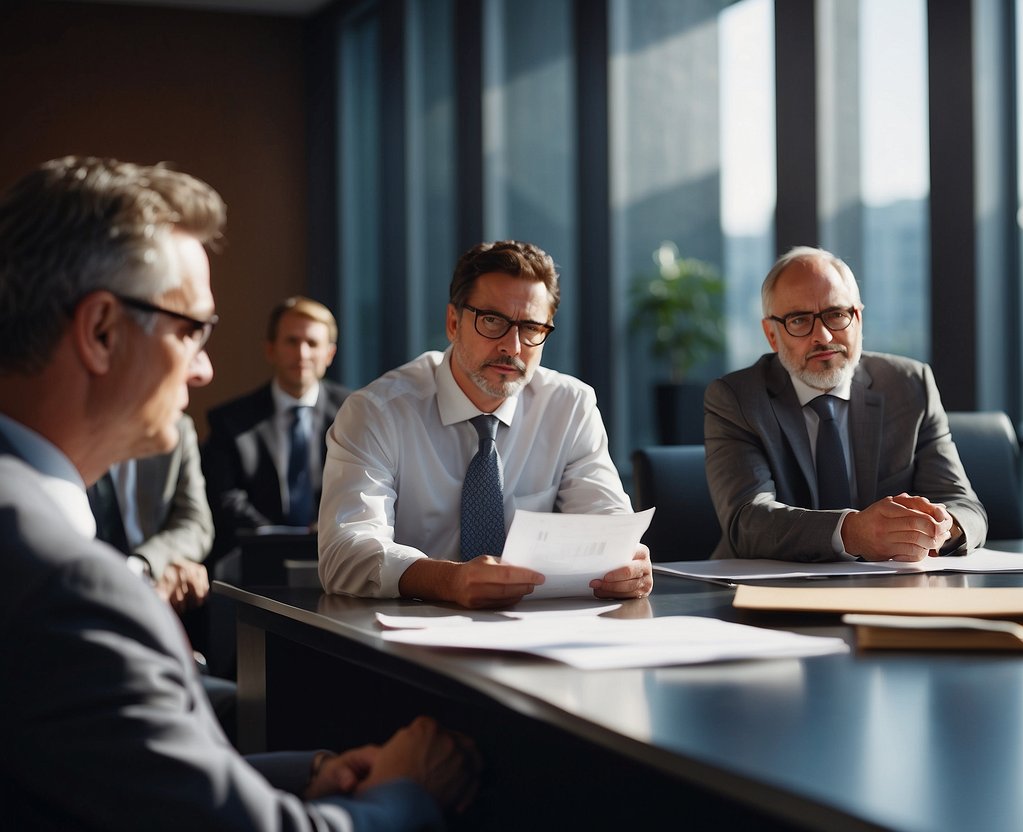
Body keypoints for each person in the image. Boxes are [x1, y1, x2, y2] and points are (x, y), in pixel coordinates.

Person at [0, 155, 476, 829]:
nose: (204, 370)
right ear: (101, 333)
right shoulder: (65, 585)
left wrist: (306, 774)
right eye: (191, 329)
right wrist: (407, 791)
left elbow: (111, 774)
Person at [318, 239, 653, 606]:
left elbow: (607, 524)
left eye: (530, 328)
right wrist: (448, 581)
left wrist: (625, 563)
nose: (512, 346)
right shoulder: (377, 412)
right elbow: (344, 552)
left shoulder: (569, 405)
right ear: (453, 322)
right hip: (406, 629)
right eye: (492, 320)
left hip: (530, 629)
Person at [704, 245, 988, 562]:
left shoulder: (910, 385)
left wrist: (940, 527)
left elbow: (966, 507)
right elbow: (747, 520)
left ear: (858, 318)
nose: (823, 336)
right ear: (772, 335)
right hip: (766, 593)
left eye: (836, 314)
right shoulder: (737, 398)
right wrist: (851, 532)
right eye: (799, 320)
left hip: (891, 591)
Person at [202, 296, 350, 560]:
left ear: (329, 354)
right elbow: (225, 498)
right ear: (270, 349)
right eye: (292, 341)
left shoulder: (354, 413)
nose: (302, 353)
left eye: (312, 343)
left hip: (336, 555)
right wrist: (275, 539)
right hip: (255, 560)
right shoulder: (230, 420)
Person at [88, 413, 213, 614]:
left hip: (153, 584)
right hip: (87, 586)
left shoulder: (176, 427)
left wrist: (146, 564)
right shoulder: (72, 426)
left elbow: (196, 522)